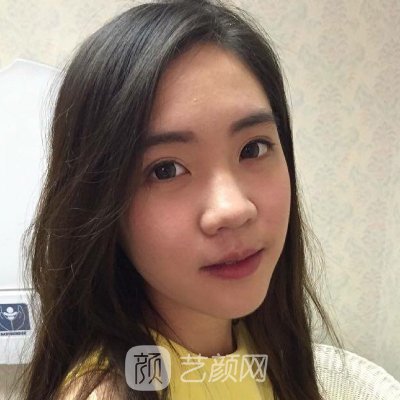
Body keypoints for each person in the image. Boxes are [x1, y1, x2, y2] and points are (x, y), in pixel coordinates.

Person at [17, 0, 344, 399]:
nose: (233, 209)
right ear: (100, 205)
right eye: (166, 169)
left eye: (253, 148)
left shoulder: (264, 341)